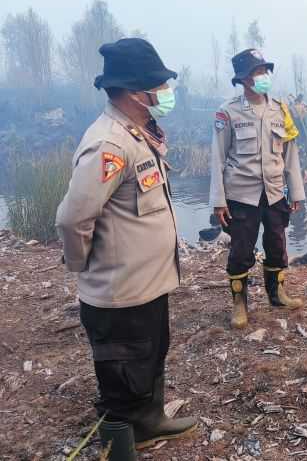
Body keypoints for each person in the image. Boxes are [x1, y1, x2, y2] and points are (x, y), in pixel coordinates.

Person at [56, 38, 196, 459]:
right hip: (119, 291)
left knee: (151, 353)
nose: (165, 92)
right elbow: (72, 218)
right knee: (122, 369)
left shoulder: (139, 134)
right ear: (136, 92)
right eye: (160, 85)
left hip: (147, 283)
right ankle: (122, 442)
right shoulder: (110, 145)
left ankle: (150, 421)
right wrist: (85, 267)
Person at [209, 48, 306, 330]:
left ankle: (277, 294)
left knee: (277, 244)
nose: (263, 76)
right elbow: (217, 156)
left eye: (265, 71)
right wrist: (219, 200)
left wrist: (296, 191)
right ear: (243, 79)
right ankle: (239, 304)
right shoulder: (228, 112)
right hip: (241, 195)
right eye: (256, 72)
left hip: (275, 191)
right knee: (241, 251)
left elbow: (290, 153)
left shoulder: (280, 109)